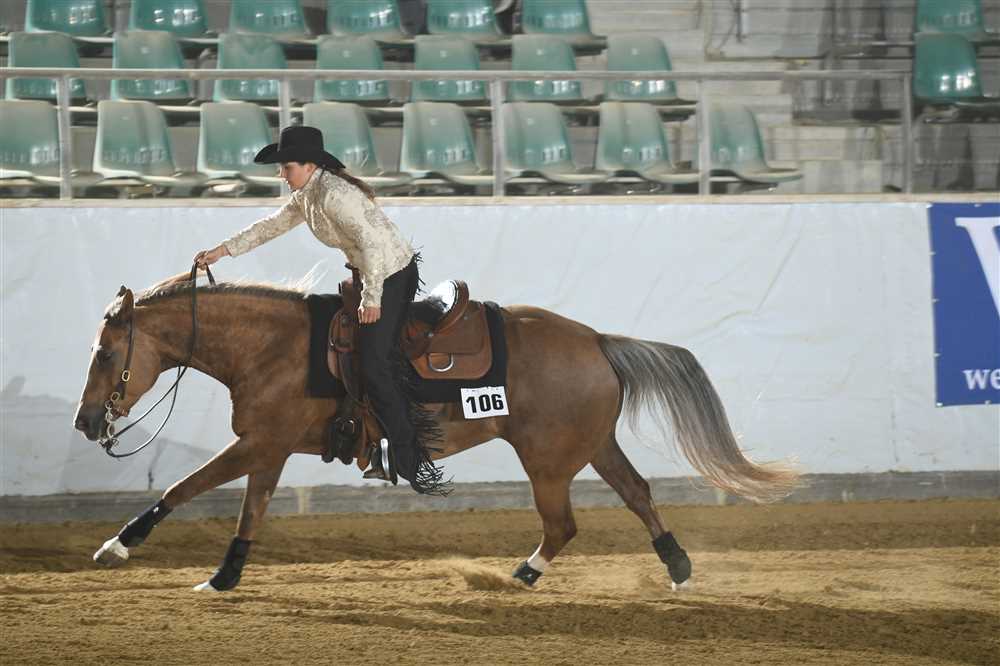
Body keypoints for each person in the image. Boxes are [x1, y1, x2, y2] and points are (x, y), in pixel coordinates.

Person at [194, 125, 446, 495]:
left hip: (391, 274)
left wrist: (372, 299)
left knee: (375, 363)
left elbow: (372, 245)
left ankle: (409, 458)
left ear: (310, 166)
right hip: (369, 271)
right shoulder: (308, 194)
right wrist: (222, 251)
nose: (282, 175)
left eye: (287, 167)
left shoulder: (334, 195)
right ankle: (368, 436)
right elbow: (270, 226)